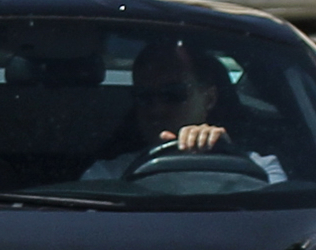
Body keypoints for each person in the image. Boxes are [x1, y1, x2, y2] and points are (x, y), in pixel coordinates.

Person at [85, 40, 284, 183]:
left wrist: (232, 163)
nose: (157, 109)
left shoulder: (260, 169)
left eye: (173, 94)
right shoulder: (108, 176)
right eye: (144, 96)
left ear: (209, 99)